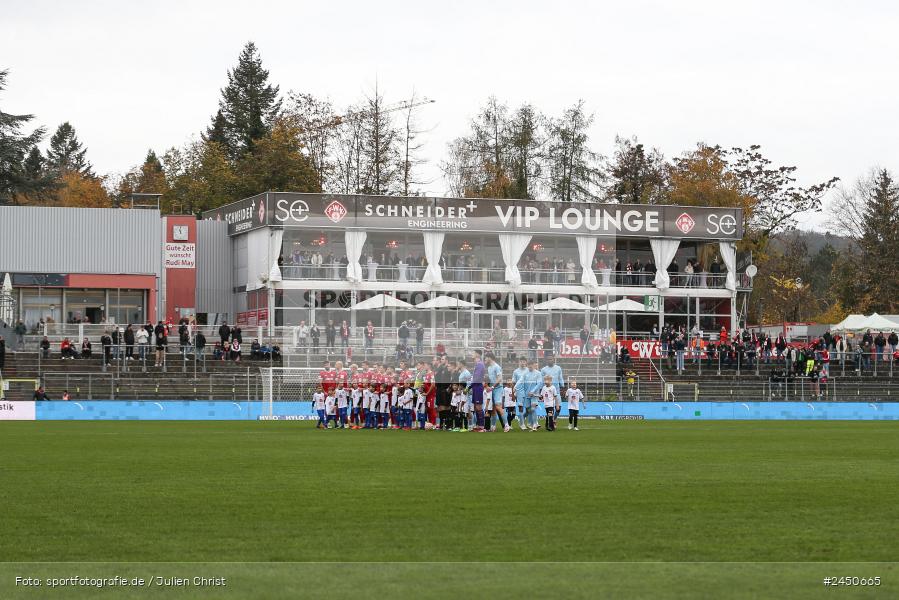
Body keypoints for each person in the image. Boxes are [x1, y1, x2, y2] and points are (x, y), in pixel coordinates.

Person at [485, 352, 509, 432]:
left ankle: (506, 425)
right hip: (492, 389)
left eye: (486, 357)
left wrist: (492, 387)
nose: (485, 359)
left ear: (489, 358)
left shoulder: (496, 367)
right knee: (493, 408)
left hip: (498, 388)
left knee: (498, 406)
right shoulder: (489, 368)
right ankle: (493, 426)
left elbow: (499, 379)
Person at [469, 349, 486, 432]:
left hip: (478, 387)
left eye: (473, 353)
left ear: (477, 354)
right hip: (476, 387)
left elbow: (477, 378)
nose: (472, 354)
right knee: (476, 407)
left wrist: (468, 387)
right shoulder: (477, 364)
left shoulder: (480, 365)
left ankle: (482, 427)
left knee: (479, 407)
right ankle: (478, 425)